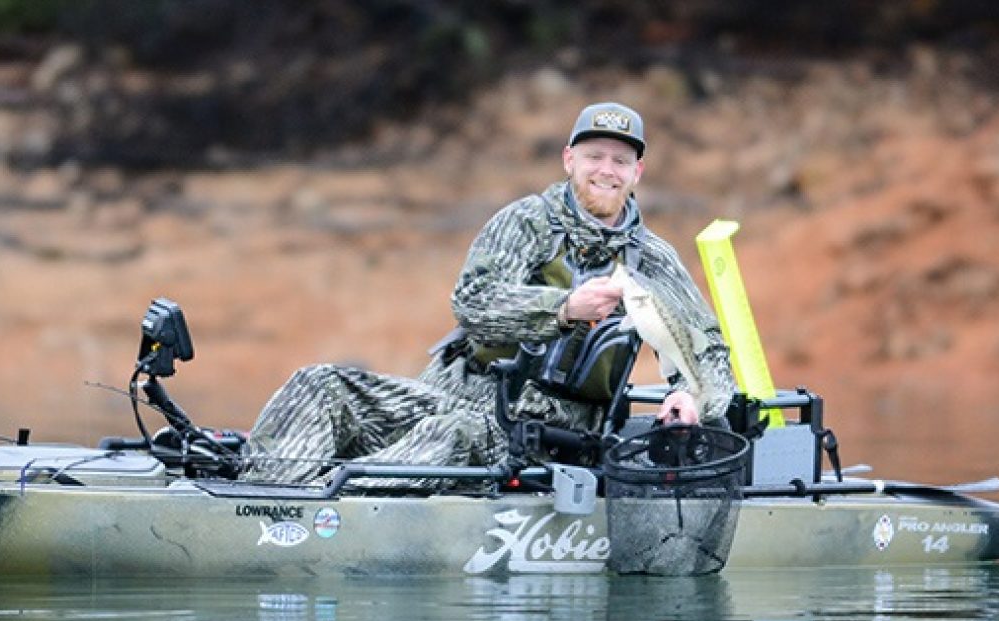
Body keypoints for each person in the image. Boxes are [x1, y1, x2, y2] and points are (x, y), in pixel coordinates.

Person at [239, 102, 735, 487]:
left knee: (450, 438)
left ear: (637, 173)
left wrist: (693, 400)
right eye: (594, 156)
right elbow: (473, 303)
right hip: (447, 396)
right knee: (319, 385)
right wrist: (561, 308)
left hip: (540, 433)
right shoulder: (524, 222)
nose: (606, 170)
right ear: (569, 160)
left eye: (620, 160)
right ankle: (260, 503)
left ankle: (326, 511)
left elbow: (708, 348)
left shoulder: (652, 258)